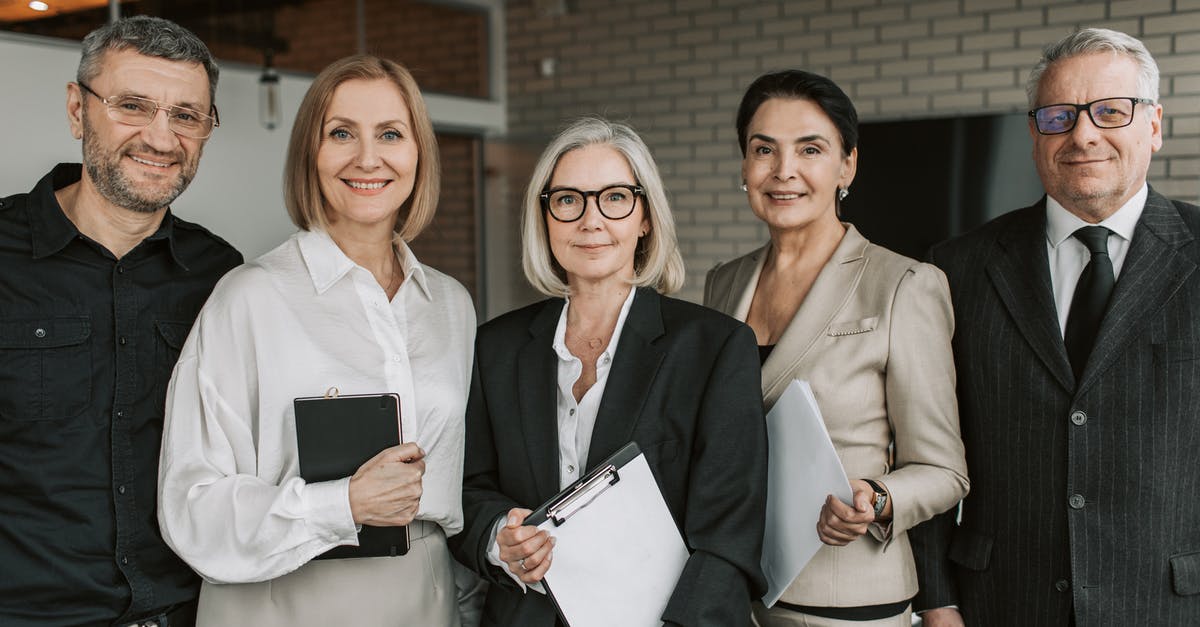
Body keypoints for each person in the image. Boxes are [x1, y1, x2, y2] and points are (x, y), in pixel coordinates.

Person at [156, 55, 476, 626]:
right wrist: (343, 504)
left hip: (425, 597)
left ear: (418, 153)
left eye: (391, 134)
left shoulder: (449, 304)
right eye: (341, 133)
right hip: (284, 600)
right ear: (311, 152)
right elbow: (191, 504)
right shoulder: (249, 298)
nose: (368, 157)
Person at [910, 27, 1200, 627]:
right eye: (1058, 116)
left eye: (1110, 112)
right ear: (1034, 134)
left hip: (1169, 605)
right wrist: (937, 602)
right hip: (1001, 603)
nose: (1083, 135)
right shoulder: (955, 267)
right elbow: (923, 443)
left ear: (1154, 125)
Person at [450, 116, 767, 626]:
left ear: (645, 217)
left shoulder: (715, 348)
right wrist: (497, 538)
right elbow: (467, 487)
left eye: (615, 197)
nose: (590, 220)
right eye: (569, 199)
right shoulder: (495, 348)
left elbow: (729, 536)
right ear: (546, 217)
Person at [703, 70, 969, 626]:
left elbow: (945, 471)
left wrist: (875, 496)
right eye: (763, 150)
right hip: (738, 591)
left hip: (847, 599)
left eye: (810, 149)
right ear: (744, 166)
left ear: (847, 165)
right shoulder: (723, 283)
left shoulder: (904, 285)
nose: (784, 171)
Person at [0, 16, 241, 627]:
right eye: (133, 106)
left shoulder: (222, 275)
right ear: (78, 110)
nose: (161, 138)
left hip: (187, 613)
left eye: (186, 115)